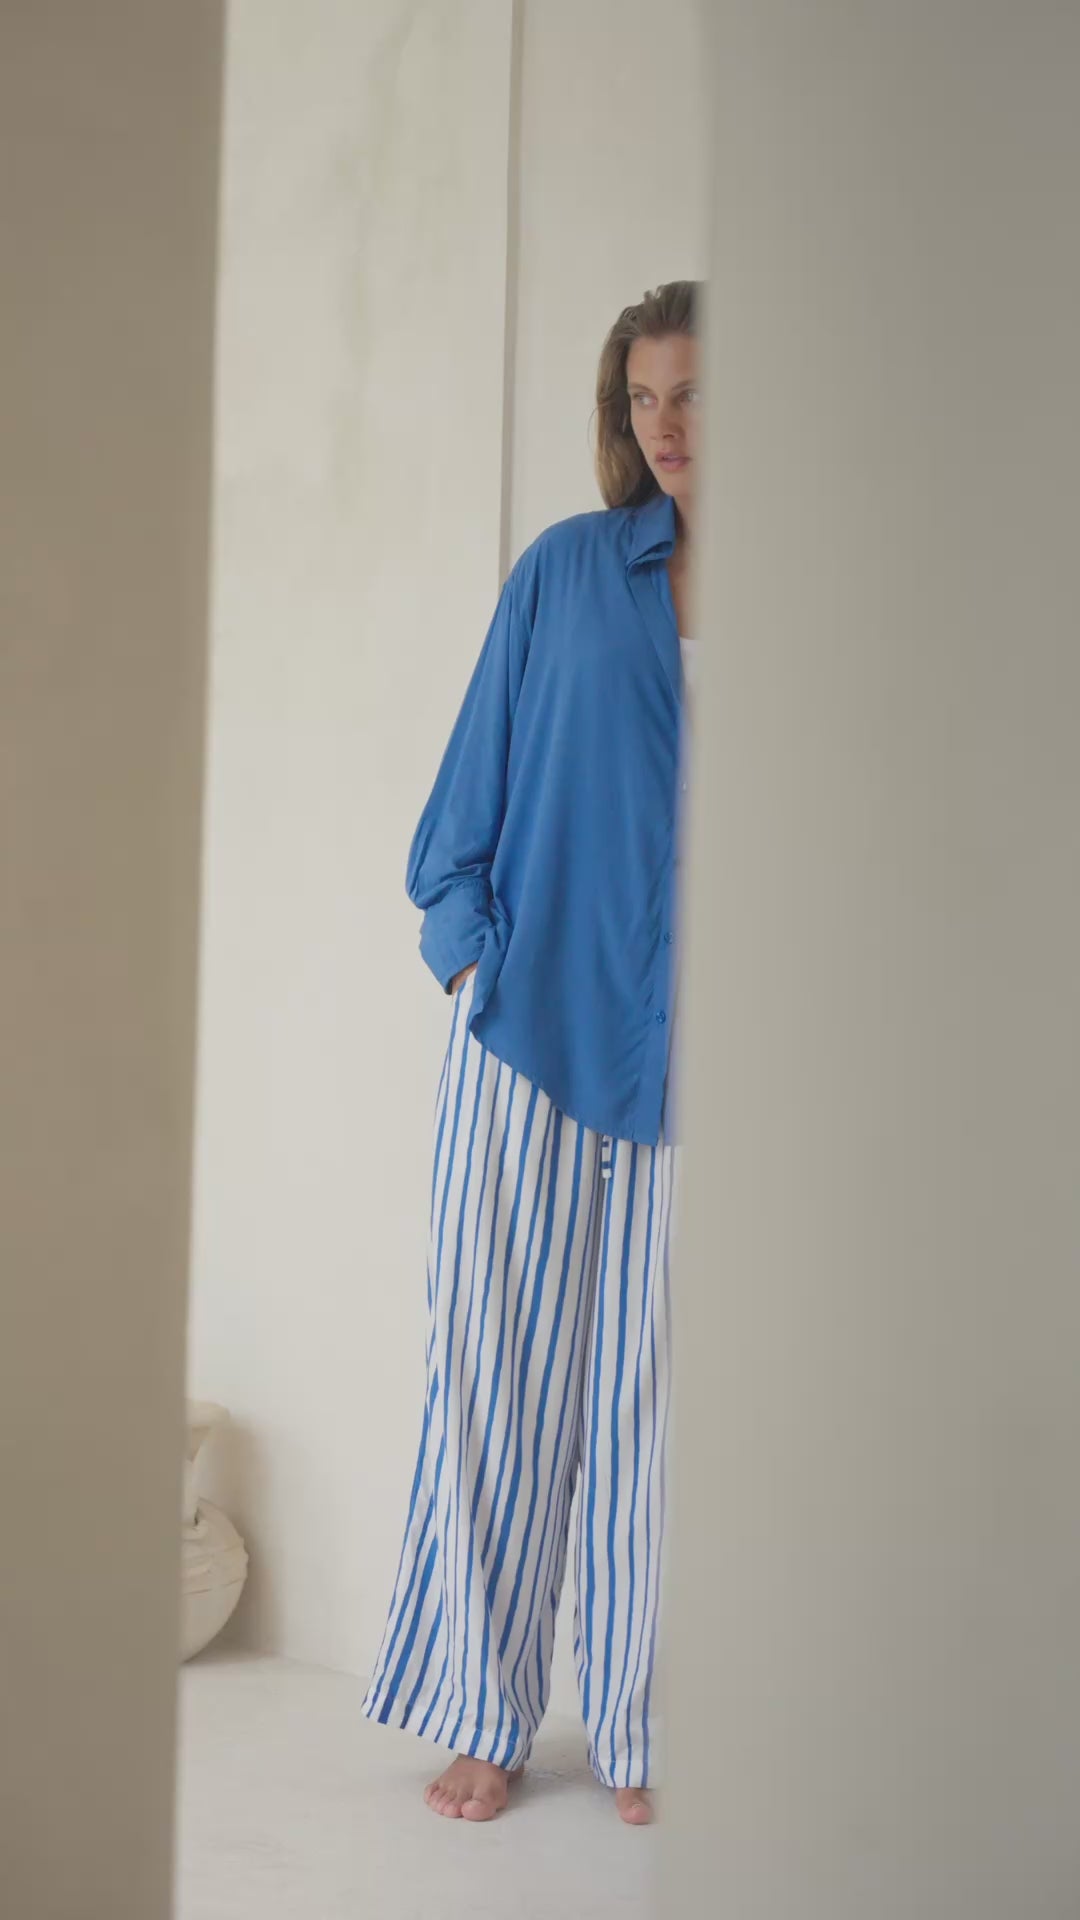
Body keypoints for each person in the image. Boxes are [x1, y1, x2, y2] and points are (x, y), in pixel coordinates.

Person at [361, 281, 700, 1827]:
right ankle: (489, 1713)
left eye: (697, 393)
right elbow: (454, 829)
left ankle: (646, 1733)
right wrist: (472, 961)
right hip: (534, 1040)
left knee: (669, 1402)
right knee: (500, 1387)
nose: (671, 427)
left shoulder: (829, 590)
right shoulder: (567, 574)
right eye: (644, 401)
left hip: (714, 1064)